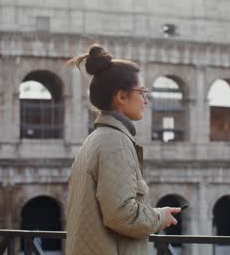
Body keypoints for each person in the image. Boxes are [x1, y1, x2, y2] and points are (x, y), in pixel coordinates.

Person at [65, 43, 181, 255]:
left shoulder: (95, 139)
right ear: (121, 97)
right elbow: (121, 214)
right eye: (142, 92)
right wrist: (159, 217)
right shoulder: (115, 142)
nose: (146, 99)